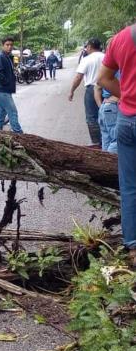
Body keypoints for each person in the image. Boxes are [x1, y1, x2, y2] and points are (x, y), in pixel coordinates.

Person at [98, 24, 136, 266]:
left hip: (127, 121)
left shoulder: (122, 37)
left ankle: (133, 247)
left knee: (130, 187)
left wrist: (128, 96)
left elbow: (103, 78)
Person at [69, 38, 105, 146]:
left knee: (91, 117)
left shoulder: (87, 59)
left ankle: (97, 142)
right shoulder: (107, 57)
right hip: (108, 89)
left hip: (91, 89)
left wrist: (72, 91)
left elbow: (78, 77)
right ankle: (106, 140)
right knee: (106, 113)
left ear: (89, 47)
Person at [0, 37, 23, 133]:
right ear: (3, 46)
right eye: (7, 45)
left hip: (2, 90)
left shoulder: (7, 57)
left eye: (11, 45)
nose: (9, 47)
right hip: (2, 91)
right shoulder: (0, 57)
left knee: (0, 116)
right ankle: (19, 135)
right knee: (13, 112)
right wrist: (6, 82)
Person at [94, 78, 119, 154]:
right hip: (114, 105)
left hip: (105, 105)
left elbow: (97, 88)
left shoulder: (106, 70)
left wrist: (101, 107)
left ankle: (104, 163)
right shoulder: (121, 69)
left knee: (106, 140)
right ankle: (111, 164)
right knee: (117, 140)